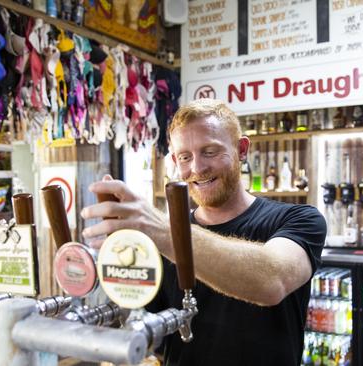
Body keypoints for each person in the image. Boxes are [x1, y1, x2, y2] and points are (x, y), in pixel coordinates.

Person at [81, 98, 326, 366]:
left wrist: (162, 229)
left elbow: (271, 280)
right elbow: (149, 325)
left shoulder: (299, 219)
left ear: (241, 149)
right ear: (175, 160)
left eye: (210, 151)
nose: (197, 168)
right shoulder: (163, 240)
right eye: (185, 157)